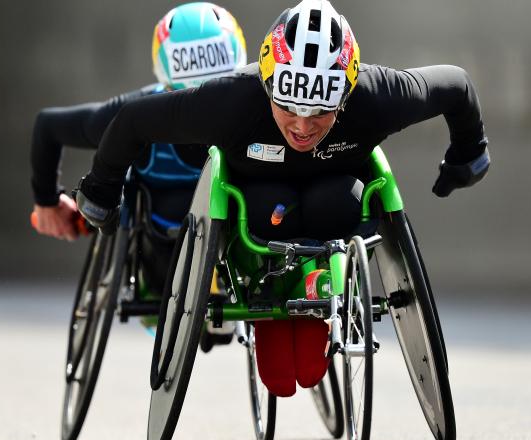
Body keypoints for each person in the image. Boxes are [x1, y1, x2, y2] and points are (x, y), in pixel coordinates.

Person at [75, 0, 490, 397]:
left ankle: (320, 284)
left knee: (337, 206)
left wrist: (468, 155)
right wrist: (100, 191)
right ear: (267, 82)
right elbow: (132, 122)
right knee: (281, 369)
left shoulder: (377, 95)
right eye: (288, 106)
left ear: (348, 91)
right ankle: (274, 292)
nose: (303, 125)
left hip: (334, 202)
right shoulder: (231, 101)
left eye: (322, 110)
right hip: (261, 213)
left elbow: (456, 86)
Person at [30, 2, 247, 242]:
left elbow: (47, 126)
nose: (201, 111)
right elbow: (47, 126)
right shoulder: (261, 108)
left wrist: (47, 202)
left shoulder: (131, 114)